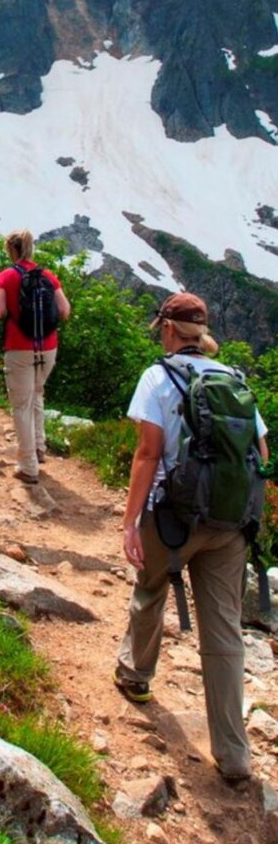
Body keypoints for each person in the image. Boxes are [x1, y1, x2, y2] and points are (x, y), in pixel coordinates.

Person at [115, 292, 269, 783]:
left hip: (174, 516)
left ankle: (136, 677)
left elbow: (147, 453)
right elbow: (260, 451)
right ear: (200, 334)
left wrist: (130, 521)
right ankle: (234, 752)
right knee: (223, 630)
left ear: (166, 329)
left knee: (150, 588)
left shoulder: (158, 376)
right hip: (231, 524)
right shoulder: (234, 379)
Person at [0, 229, 71, 485]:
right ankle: (39, 448)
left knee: (21, 405)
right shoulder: (47, 276)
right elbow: (65, 311)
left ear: (10, 249)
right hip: (48, 347)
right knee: (37, 394)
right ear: (31, 247)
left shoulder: (6, 276)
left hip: (19, 346)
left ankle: (27, 465)